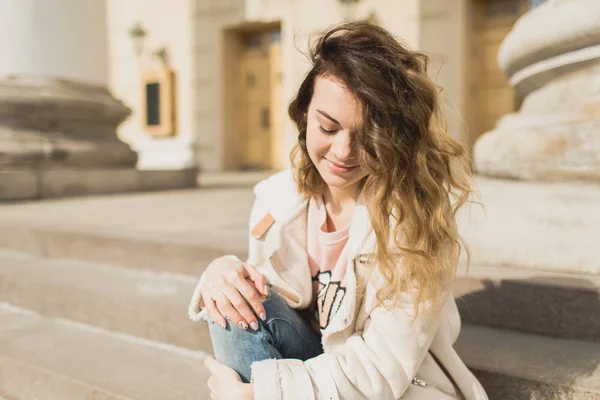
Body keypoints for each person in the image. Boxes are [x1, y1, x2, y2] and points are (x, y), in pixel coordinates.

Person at [188, 21, 488, 400]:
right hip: (317, 373)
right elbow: (264, 296)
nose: (343, 153)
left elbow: (380, 370)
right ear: (304, 116)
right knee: (232, 301)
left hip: (395, 390)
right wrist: (221, 273)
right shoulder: (280, 197)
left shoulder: (414, 217)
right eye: (328, 128)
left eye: (366, 137)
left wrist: (254, 395)